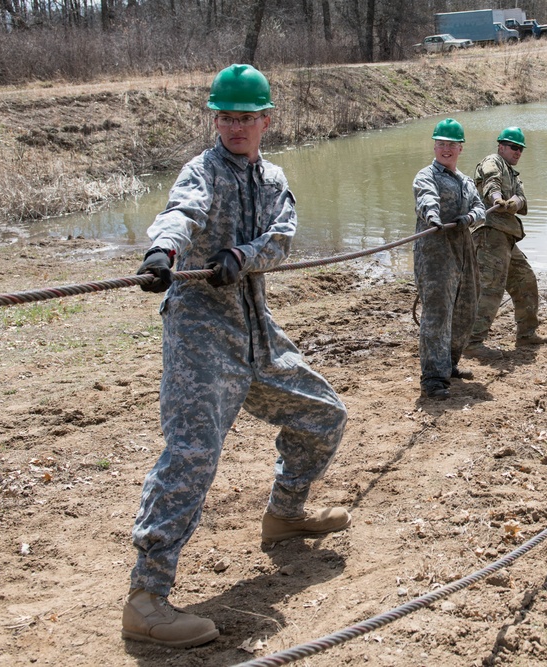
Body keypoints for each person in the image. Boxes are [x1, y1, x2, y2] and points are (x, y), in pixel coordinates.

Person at [124, 64, 351, 649]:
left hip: (256, 329)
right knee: (193, 453)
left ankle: (285, 513)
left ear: (265, 120)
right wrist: (162, 251)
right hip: (202, 333)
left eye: (246, 117)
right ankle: (147, 599)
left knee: (323, 413)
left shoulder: (273, 178)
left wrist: (242, 257)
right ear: (216, 119)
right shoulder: (201, 171)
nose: (235, 127)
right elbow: (183, 211)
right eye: (226, 116)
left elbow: (281, 238)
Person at [412, 118, 486, 400]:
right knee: (437, 314)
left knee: (466, 310)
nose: (445, 149)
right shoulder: (425, 176)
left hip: (463, 251)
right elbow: (425, 198)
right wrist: (432, 216)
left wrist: (470, 217)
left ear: (460, 149)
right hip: (434, 253)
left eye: (451, 145)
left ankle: (449, 364)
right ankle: (432, 378)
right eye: (441, 144)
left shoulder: (466, 181)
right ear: (434, 146)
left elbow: (481, 207)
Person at [465, 126, 547, 359]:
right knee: (490, 288)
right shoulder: (492, 162)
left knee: (525, 280)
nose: (517, 152)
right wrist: (498, 199)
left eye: (520, 149)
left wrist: (514, 202)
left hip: (506, 235)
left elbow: (522, 199)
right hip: (489, 233)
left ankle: (526, 334)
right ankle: (472, 342)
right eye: (513, 147)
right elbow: (490, 185)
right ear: (501, 146)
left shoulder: (513, 173)